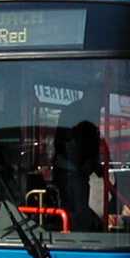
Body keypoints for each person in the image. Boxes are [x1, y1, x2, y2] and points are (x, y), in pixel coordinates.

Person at [53, 93, 104, 232]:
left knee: (78, 207)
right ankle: (75, 233)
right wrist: (86, 163)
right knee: (74, 209)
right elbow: (65, 143)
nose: (100, 105)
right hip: (69, 170)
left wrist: (92, 163)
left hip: (78, 170)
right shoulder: (73, 115)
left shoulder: (90, 114)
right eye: (98, 100)